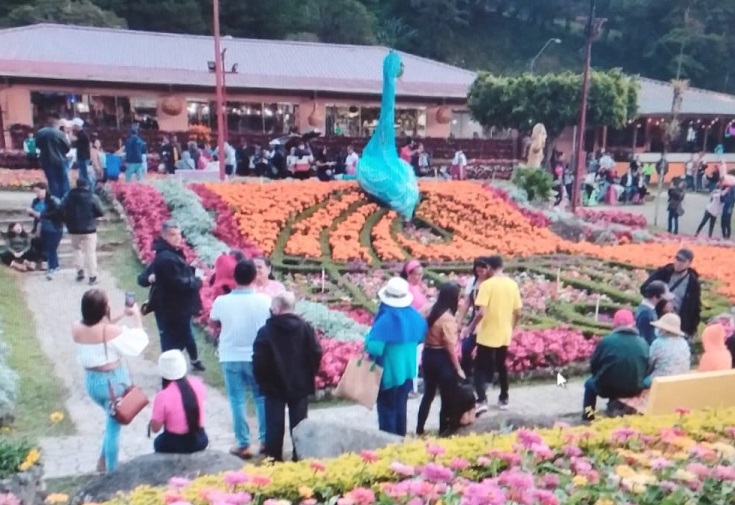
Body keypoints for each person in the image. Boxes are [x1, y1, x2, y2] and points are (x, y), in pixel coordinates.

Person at [72, 289, 149, 473]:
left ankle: (102, 460)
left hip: (92, 382)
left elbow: (100, 326)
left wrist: (122, 313)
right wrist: (136, 316)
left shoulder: (76, 327)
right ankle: (111, 471)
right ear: (103, 309)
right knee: (114, 427)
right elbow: (138, 343)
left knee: (110, 418)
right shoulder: (109, 332)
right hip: (112, 384)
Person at [210, 259, 270, 459]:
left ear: (234, 278)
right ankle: (265, 440)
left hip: (230, 355)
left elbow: (214, 320)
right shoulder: (265, 301)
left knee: (237, 400)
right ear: (255, 277)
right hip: (257, 356)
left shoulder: (222, 302)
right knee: (261, 399)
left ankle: (243, 443)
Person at [253, 291, 323, 461]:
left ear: (276, 308)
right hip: (300, 383)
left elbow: (259, 360)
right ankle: (299, 456)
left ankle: (274, 459)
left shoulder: (266, 330)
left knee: (274, 425)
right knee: (299, 423)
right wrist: (310, 373)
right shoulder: (305, 328)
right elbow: (316, 352)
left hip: (273, 385)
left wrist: (262, 380)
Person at [137, 221, 205, 372]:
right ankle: (171, 371)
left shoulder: (172, 253)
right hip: (169, 307)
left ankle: (191, 361)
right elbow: (179, 283)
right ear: (164, 236)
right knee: (170, 339)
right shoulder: (165, 258)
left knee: (184, 334)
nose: (178, 238)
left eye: (179, 234)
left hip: (178, 306)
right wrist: (198, 281)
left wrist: (190, 269)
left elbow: (178, 276)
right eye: (173, 235)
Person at [365, 277, 427, 436]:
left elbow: (375, 348)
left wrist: (367, 337)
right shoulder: (414, 315)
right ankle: (401, 442)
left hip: (388, 373)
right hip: (407, 371)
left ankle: (389, 445)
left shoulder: (386, 318)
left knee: (387, 411)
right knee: (401, 409)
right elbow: (421, 337)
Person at [464, 255, 521, 413]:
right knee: (501, 366)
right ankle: (504, 398)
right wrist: (511, 327)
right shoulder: (512, 285)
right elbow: (518, 312)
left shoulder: (487, 285)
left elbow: (481, 312)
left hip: (487, 332)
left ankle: (481, 400)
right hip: (504, 332)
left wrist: (470, 328)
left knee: (480, 368)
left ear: (489, 267)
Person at [416, 282, 465, 436]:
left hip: (428, 353)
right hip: (441, 357)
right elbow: (450, 346)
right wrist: (458, 367)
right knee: (446, 395)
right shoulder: (448, 318)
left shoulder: (427, 309)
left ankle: (419, 428)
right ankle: (443, 429)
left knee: (428, 394)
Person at [582, 310, 649, 421]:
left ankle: (588, 416)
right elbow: (646, 366)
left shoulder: (606, 341)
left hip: (607, 388)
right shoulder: (643, 343)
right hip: (635, 387)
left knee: (589, 384)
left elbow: (594, 364)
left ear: (614, 324)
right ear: (632, 324)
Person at [149, 350, 208, 454]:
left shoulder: (163, 395)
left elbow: (155, 428)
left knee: (158, 442)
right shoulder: (198, 384)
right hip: (200, 439)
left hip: (175, 443)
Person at [640, 248, 701, 339]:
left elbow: (695, 308)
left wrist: (691, 330)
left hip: (677, 324)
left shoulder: (693, 283)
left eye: (682, 261)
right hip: (658, 318)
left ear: (689, 263)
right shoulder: (664, 272)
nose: (678, 262)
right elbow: (645, 288)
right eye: (676, 258)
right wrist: (663, 302)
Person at [61, 178, 104, 285]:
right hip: (89, 229)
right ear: (87, 185)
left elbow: (61, 208)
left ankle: (80, 270)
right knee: (90, 252)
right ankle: (92, 276)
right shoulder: (92, 197)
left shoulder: (69, 196)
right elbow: (100, 211)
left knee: (76, 249)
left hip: (73, 228)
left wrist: (67, 219)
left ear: (76, 185)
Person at [456, 257, 491, 379]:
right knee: (466, 347)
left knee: (485, 351)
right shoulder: (472, 282)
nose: (480, 273)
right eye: (478, 271)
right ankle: (468, 374)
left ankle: (484, 377)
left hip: (488, 319)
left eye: (483, 270)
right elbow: (466, 303)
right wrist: (459, 320)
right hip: (475, 317)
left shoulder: (491, 283)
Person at [29, 182, 64, 280]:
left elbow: (56, 213)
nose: (37, 194)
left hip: (55, 227)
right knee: (49, 247)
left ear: (45, 190)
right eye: (35, 192)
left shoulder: (53, 200)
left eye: (38, 191)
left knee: (51, 247)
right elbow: (34, 214)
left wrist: (39, 214)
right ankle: (55, 265)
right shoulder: (35, 201)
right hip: (42, 227)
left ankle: (52, 267)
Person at [645, 313, 691, 382]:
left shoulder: (658, 343)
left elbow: (649, 364)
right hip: (681, 380)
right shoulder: (684, 343)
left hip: (660, 381)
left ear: (665, 329)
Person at [35, 116, 71, 198]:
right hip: (60, 159)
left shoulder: (40, 133)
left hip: (46, 160)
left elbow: (36, 145)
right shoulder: (60, 133)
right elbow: (67, 147)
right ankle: (65, 199)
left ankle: (55, 199)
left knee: (52, 181)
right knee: (63, 181)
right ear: (56, 124)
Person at [634, 280, 674, 345]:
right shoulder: (645, 313)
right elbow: (645, 338)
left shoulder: (650, 309)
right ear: (656, 296)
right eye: (663, 297)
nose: (664, 300)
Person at [71, 118, 93, 187]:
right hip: (83, 157)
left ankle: (89, 187)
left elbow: (74, 143)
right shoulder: (83, 134)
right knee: (82, 174)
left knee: (84, 174)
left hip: (83, 157)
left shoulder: (82, 135)